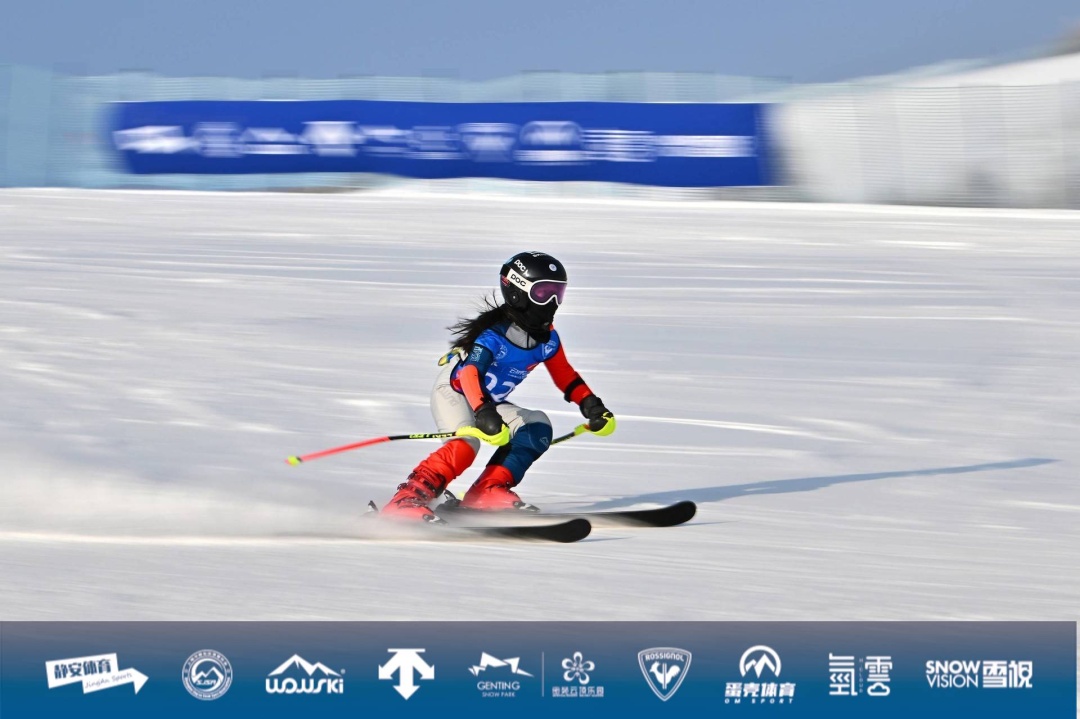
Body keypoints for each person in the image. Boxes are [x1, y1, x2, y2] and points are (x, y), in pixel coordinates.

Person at [381, 251, 616, 522]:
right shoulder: (494, 335)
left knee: (537, 426)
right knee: (465, 444)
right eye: (543, 293)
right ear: (517, 293)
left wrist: (591, 405)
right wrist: (482, 411)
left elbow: (566, 375)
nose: (552, 302)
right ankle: (407, 499)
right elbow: (470, 372)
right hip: (455, 393)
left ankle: (486, 492)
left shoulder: (547, 339)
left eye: (557, 292)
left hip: (489, 401)